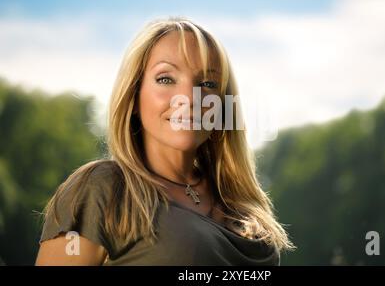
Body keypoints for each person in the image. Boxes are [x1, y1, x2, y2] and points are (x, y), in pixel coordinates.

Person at [35, 17, 296, 265]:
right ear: (134, 97)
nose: (190, 98)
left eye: (207, 82)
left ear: (222, 105)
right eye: (165, 79)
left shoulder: (240, 202)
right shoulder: (103, 189)